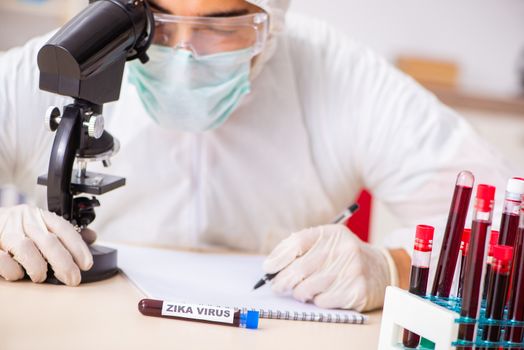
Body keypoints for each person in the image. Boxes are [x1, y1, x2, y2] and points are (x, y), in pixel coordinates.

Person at [0, 0, 516, 312]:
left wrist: (393, 268)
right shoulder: (67, 59)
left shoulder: (338, 72)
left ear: (272, 19)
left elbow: (503, 220)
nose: (184, 55)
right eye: (161, 21)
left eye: (221, 26)